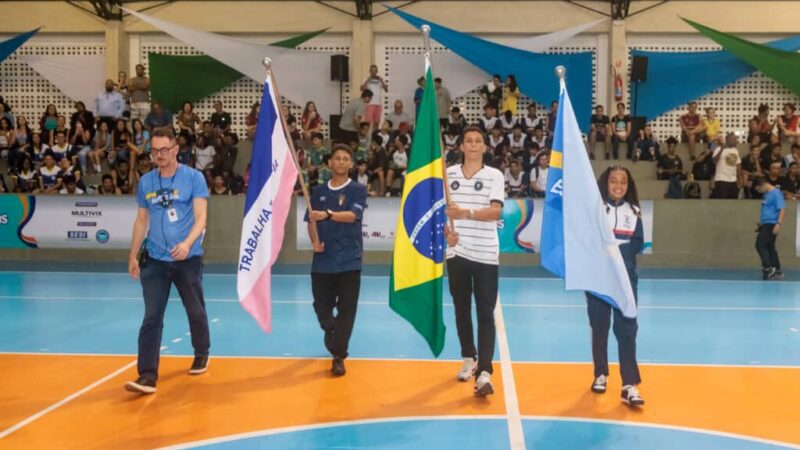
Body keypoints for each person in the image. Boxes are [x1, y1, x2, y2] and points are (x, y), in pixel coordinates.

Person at [125, 128, 211, 395]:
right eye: (154, 151)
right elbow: (141, 220)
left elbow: (201, 218)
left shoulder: (194, 178)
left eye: (164, 150)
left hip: (188, 259)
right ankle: (147, 376)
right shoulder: (146, 182)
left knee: (195, 310)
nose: (159, 155)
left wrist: (186, 244)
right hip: (155, 261)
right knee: (152, 317)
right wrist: (132, 254)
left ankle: (201, 351)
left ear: (176, 149)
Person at [444, 126, 505, 397]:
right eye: (468, 140)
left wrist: (465, 213)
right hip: (456, 253)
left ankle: (485, 371)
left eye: (477, 141)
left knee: (485, 313)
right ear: (461, 146)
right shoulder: (448, 174)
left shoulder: (495, 175)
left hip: (485, 254)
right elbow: (443, 214)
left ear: (484, 147)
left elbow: (495, 212)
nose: (472, 145)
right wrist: (448, 233)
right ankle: (469, 357)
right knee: (461, 309)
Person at [304, 144, 367, 376]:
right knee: (322, 308)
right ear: (329, 163)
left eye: (345, 158)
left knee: (347, 310)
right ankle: (330, 330)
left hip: (349, 260)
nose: (341, 162)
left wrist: (328, 214)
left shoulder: (357, 190)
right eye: (337, 158)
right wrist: (314, 241)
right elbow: (311, 221)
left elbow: (352, 216)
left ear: (351, 164)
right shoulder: (318, 191)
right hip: (322, 262)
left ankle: (339, 355)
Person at [589, 166, 645, 407]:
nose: (618, 185)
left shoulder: (634, 211)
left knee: (627, 328)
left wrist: (618, 256)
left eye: (623, 181)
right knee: (599, 326)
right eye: (614, 181)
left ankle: (629, 384)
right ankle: (600, 373)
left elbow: (638, 243)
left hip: (625, 278)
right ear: (606, 183)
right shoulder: (595, 209)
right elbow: (587, 239)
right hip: (598, 276)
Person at [753, 176, 785, 280]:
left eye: (759, 189)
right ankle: (778, 270)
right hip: (766, 224)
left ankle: (768, 268)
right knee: (770, 247)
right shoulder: (766, 194)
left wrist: (778, 224)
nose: (760, 191)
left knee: (760, 244)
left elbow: (782, 209)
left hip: (772, 224)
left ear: (763, 185)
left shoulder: (776, 193)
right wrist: (761, 223)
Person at [711, 133, 742, 199]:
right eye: (734, 139)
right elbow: (714, 161)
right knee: (723, 201)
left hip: (733, 180)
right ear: (728, 139)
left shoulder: (736, 150)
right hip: (722, 180)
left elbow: (738, 166)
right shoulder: (718, 149)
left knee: (733, 201)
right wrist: (722, 149)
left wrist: (739, 179)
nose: (736, 141)